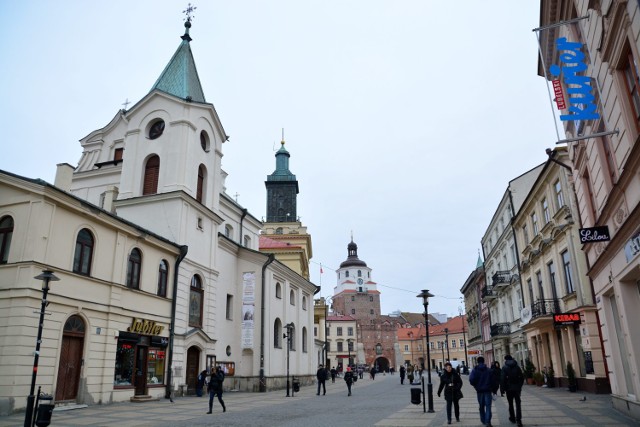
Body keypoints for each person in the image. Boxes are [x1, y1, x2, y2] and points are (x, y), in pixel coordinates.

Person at [469, 356, 498, 427]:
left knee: (481, 406)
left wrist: (476, 386)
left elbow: (471, 380)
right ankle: (488, 422)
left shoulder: (475, 370)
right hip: (488, 391)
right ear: (484, 361)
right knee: (488, 406)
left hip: (479, 391)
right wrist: (494, 390)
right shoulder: (489, 370)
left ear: (477, 362)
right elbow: (494, 382)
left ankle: (483, 420)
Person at [501, 355, 524, 427]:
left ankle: (512, 418)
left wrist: (502, 389)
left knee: (510, 404)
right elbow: (522, 377)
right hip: (517, 388)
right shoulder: (517, 367)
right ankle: (519, 421)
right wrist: (519, 386)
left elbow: (502, 379)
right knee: (518, 404)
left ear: (506, 360)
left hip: (509, 389)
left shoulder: (504, 367)